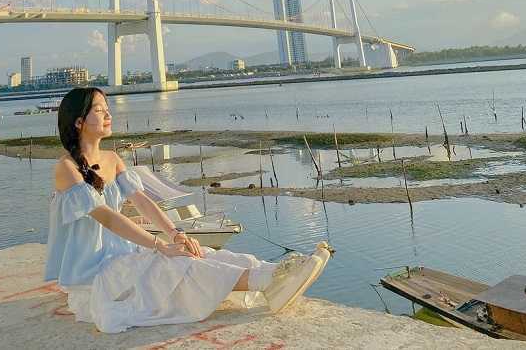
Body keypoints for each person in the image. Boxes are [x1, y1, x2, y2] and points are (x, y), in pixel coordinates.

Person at [43, 87, 333, 334]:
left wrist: (175, 233)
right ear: (80, 122)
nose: (108, 114)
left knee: (197, 252)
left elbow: (142, 201)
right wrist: (160, 245)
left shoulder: (112, 157)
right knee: (176, 263)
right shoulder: (66, 168)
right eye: (99, 110)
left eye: (107, 108)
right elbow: (108, 216)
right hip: (95, 272)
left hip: (123, 255)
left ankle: (270, 271)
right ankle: (266, 282)